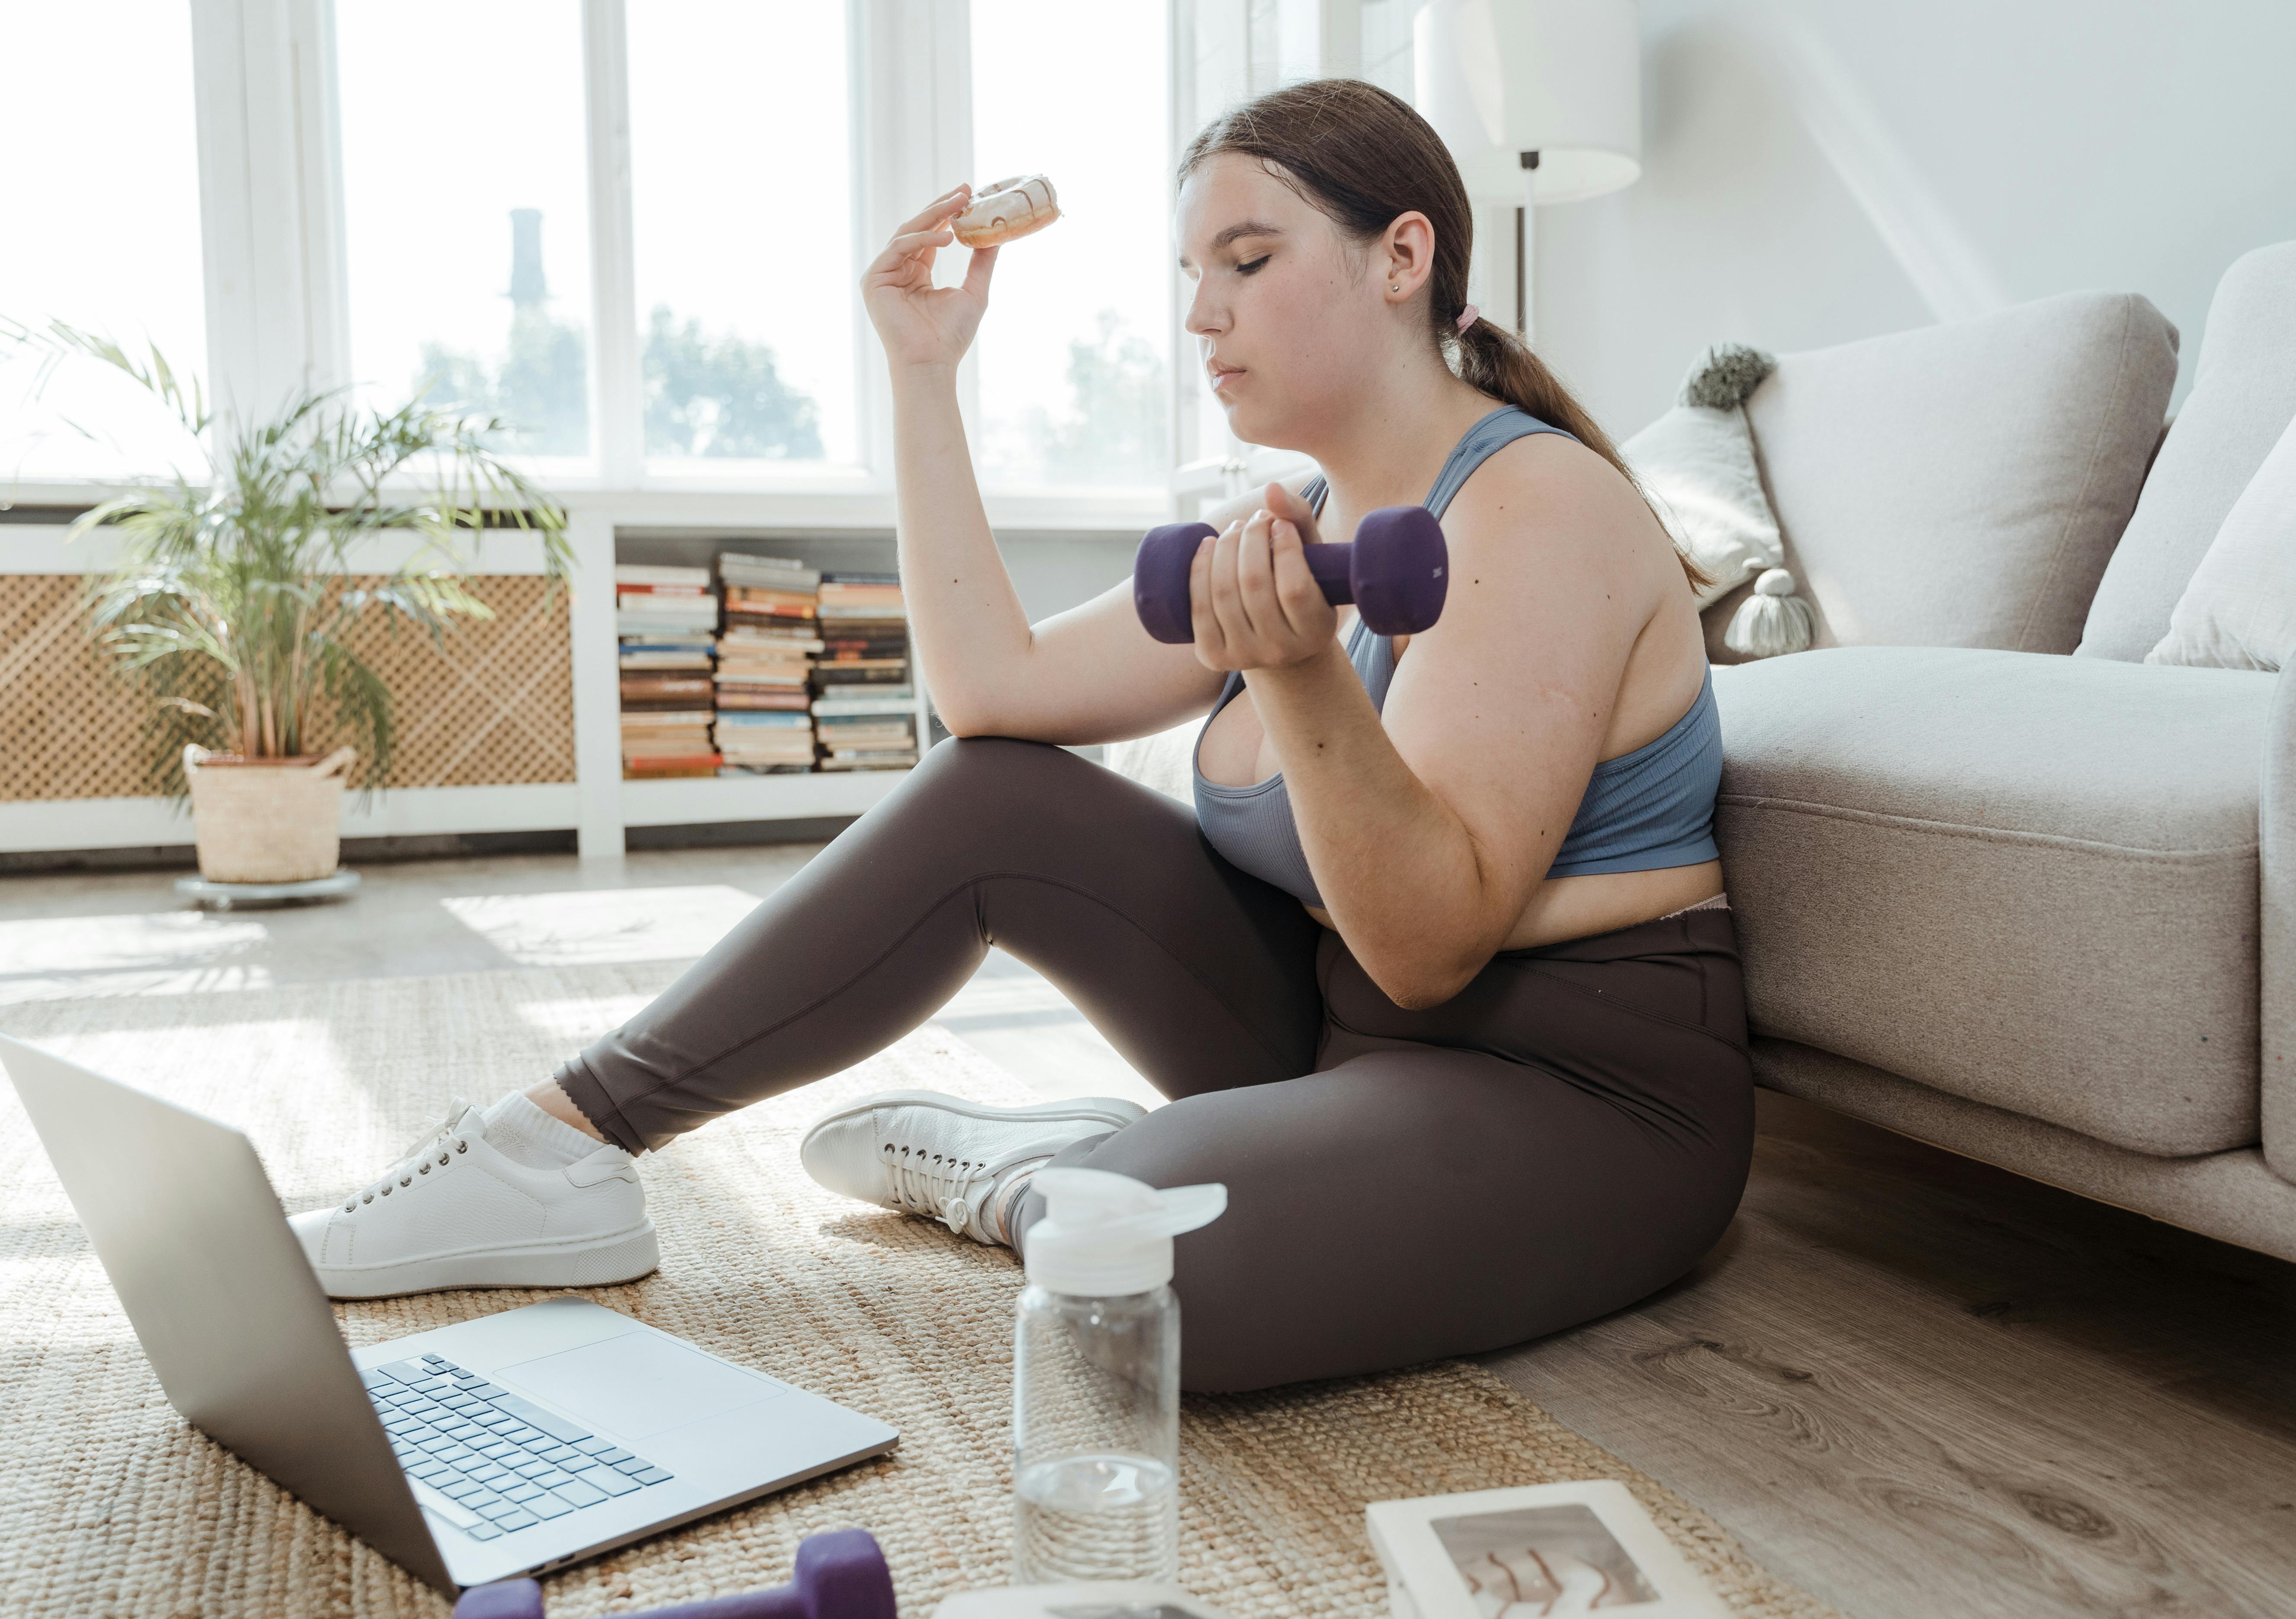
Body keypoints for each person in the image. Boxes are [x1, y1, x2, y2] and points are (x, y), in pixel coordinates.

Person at [290, 80, 1751, 1394]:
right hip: (1338, 1043)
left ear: (1403, 257)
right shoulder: (1283, 531)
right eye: (1192, 275)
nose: (1200, 317)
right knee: (1000, 798)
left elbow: (1430, 946)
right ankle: (558, 1146)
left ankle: (1040, 1170)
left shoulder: (1530, 508)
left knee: (1137, 1282)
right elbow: (988, 696)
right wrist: (924, 374)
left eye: (1247, 262)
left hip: (1575, 1094)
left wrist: (1302, 683)